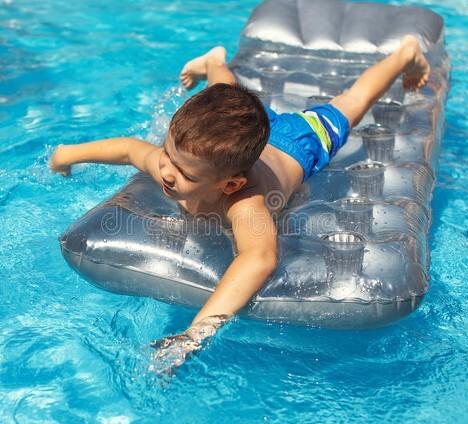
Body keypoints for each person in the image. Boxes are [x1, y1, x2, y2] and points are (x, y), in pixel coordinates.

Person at [49, 35, 430, 369]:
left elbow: (258, 259)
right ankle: (215, 61)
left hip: (299, 140)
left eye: (185, 175)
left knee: (352, 104)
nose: (166, 172)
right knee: (225, 97)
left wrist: (195, 333)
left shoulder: (246, 205)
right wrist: (67, 155)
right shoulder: (177, 161)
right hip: (239, 139)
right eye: (167, 155)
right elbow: (130, 150)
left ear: (230, 185)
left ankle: (404, 54)